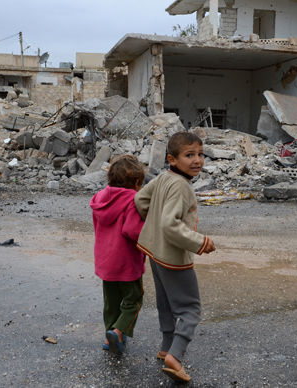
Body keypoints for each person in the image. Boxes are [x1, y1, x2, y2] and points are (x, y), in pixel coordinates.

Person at [134, 131, 216, 382]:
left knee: (167, 304)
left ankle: (166, 347)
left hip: (154, 253)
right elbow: (171, 226)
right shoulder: (182, 187)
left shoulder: (163, 178)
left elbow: (140, 199)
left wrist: (153, 221)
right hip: (172, 258)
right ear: (172, 159)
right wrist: (201, 242)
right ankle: (175, 356)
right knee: (190, 309)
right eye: (189, 155)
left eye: (200, 154)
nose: (197, 160)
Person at [90, 155, 146, 355]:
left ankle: (109, 338)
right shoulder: (132, 200)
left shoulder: (99, 199)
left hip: (105, 261)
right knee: (134, 299)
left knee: (111, 303)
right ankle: (118, 331)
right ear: (137, 182)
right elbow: (133, 231)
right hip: (127, 262)